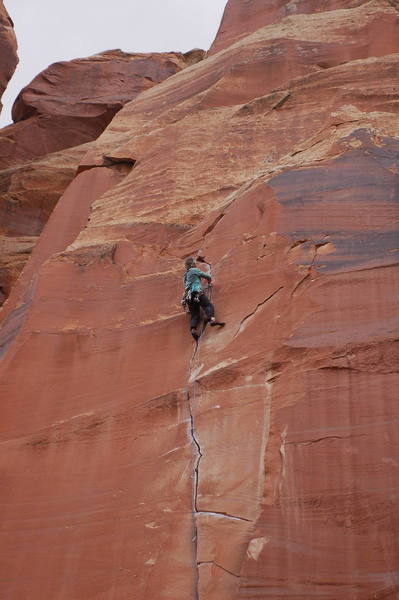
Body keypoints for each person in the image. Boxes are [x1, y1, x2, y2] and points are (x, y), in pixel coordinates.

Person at [183, 256, 225, 341]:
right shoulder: (194, 270)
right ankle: (212, 320)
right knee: (208, 306)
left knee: (195, 315)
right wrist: (209, 281)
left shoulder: (185, 275)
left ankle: (193, 329)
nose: (195, 264)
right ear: (192, 264)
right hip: (197, 292)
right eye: (194, 263)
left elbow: (186, 286)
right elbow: (207, 276)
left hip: (188, 297)